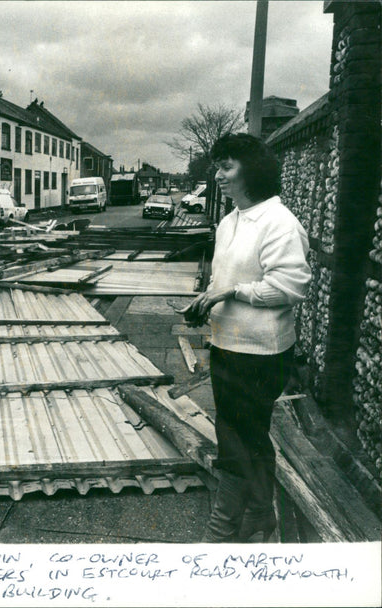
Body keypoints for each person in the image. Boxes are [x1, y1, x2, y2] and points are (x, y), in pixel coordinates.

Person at [185, 133, 311, 543]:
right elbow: (228, 279)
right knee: (245, 433)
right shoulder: (230, 221)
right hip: (227, 343)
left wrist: (233, 293)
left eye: (228, 167)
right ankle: (258, 514)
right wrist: (207, 298)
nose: (218, 175)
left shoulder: (280, 223)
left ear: (251, 170)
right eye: (217, 166)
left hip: (261, 352)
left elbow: (290, 287)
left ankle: (222, 527)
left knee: (236, 436)